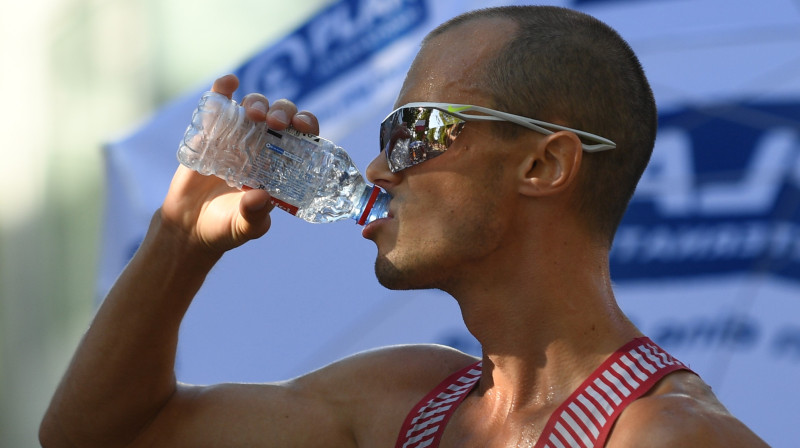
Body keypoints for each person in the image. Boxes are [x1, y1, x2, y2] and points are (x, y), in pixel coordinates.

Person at [40, 6, 768, 448]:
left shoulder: (673, 437)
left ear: (545, 165)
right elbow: (99, 435)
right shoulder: (406, 400)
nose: (380, 168)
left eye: (417, 130)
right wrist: (180, 242)